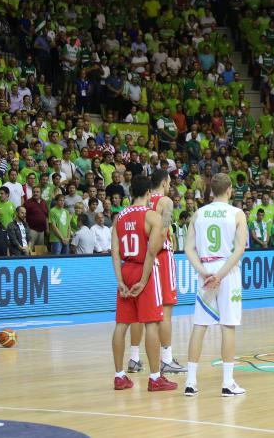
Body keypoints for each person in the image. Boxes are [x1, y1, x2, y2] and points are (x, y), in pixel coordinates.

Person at [183, 173, 248, 397]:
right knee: (228, 325)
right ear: (229, 189)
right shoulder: (237, 213)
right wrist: (220, 274)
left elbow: (188, 248)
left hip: (206, 271)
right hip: (227, 271)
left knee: (199, 325)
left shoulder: (198, 214)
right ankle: (227, 383)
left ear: (211, 190)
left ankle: (190, 382)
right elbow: (239, 249)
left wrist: (204, 273)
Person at [110, 175, 176, 392]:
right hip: (145, 271)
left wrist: (120, 280)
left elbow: (115, 252)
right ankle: (155, 378)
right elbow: (151, 252)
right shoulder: (152, 217)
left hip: (126, 269)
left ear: (130, 193)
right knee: (152, 323)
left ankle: (119, 376)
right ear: (149, 193)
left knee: (121, 324)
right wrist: (144, 280)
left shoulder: (119, 217)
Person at [128, 170, 186, 375]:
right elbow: (163, 231)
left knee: (138, 312)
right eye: (169, 182)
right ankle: (167, 359)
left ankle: (134, 358)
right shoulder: (166, 202)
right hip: (161, 255)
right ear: (164, 182)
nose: (170, 186)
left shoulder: (141, 200)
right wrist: (156, 250)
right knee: (165, 311)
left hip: (141, 257)